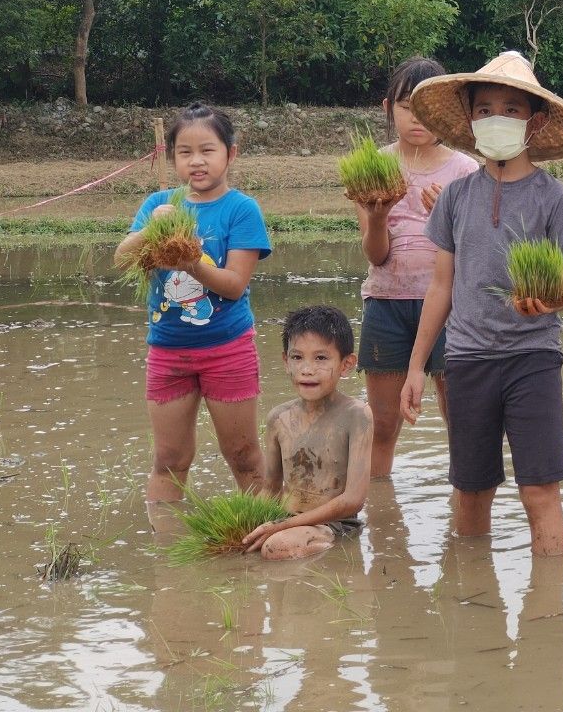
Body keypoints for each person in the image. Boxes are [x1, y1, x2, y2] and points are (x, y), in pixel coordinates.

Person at [400, 51, 563, 556]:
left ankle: (549, 615)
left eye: (510, 109)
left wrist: (550, 300)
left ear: (536, 120)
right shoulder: (456, 197)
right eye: (484, 110)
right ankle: (472, 599)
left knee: (539, 490)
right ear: (470, 120)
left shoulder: (554, 198)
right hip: (467, 359)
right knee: (471, 489)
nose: (495, 119)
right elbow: (441, 287)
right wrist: (417, 366)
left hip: (533, 358)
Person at [115, 103, 271, 510]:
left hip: (227, 347)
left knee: (243, 456)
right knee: (169, 460)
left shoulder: (241, 210)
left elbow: (235, 286)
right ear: (173, 158)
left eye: (208, 150)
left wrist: (191, 262)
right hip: (167, 350)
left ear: (230, 154)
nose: (197, 161)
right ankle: (166, 557)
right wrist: (152, 228)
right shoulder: (158, 205)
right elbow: (121, 259)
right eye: (185, 152)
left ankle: (269, 536)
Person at [355, 56, 478, 477]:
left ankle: (464, 508)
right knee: (384, 424)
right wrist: (376, 215)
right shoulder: (375, 165)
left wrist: (446, 215)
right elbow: (376, 256)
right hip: (387, 302)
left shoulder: (465, 171)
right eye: (407, 106)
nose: (417, 117)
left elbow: (475, 253)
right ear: (389, 108)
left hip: (449, 306)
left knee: (456, 417)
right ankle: (378, 509)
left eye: (428, 108)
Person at [243, 306, 372, 559]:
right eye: (297, 357)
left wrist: (283, 527)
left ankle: (333, 559)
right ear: (285, 361)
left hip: (336, 524)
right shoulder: (278, 419)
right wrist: (242, 524)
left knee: (275, 547)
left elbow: (353, 500)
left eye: (321, 358)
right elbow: (270, 489)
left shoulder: (356, 415)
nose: (307, 369)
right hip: (287, 520)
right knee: (246, 546)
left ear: (347, 364)